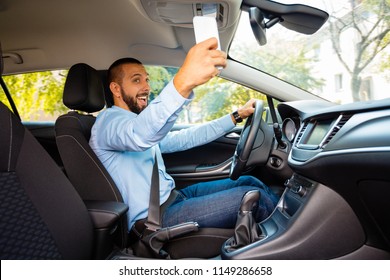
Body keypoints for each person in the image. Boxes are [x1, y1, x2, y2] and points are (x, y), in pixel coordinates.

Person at [89, 38, 279, 234]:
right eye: (136, 80)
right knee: (257, 198)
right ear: (115, 89)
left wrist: (236, 116)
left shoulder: (133, 122)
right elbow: (140, 135)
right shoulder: (107, 123)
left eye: (146, 79)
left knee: (250, 182)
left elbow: (187, 137)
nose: (146, 87)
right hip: (153, 219)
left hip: (174, 197)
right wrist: (183, 81)